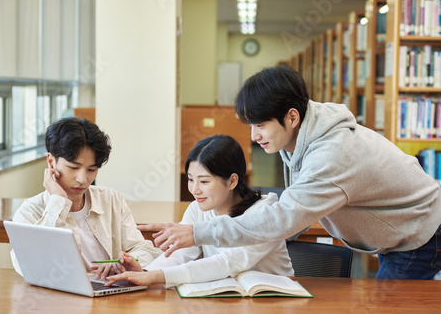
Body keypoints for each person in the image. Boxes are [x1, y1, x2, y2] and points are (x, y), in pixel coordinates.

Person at [140, 64, 441, 280]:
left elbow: (285, 216)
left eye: (260, 125)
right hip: (397, 229)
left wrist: (199, 233)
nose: (255, 137)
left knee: (392, 312)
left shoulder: (333, 154)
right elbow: (294, 203)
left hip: (419, 231)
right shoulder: (300, 130)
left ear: (292, 116)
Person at [104, 135, 294, 287]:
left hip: (276, 300)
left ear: (232, 181)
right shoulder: (197, 208)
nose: (194, 190)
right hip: (228, 301)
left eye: (204, 181)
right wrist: (146, 273)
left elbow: (228, 262)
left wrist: (157, 276)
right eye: (190, 179)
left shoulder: (265, 215)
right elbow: (180, 254)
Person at [10, 117, 161, 279]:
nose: (82, 179)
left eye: (91, 169)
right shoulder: (29, 212)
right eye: (73, 167)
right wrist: (58, 201)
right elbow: (35, 268)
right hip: (56, 298)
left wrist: (127, 262)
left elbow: (141, 248)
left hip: (110, 294)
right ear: (51, 161)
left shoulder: (111, 199)